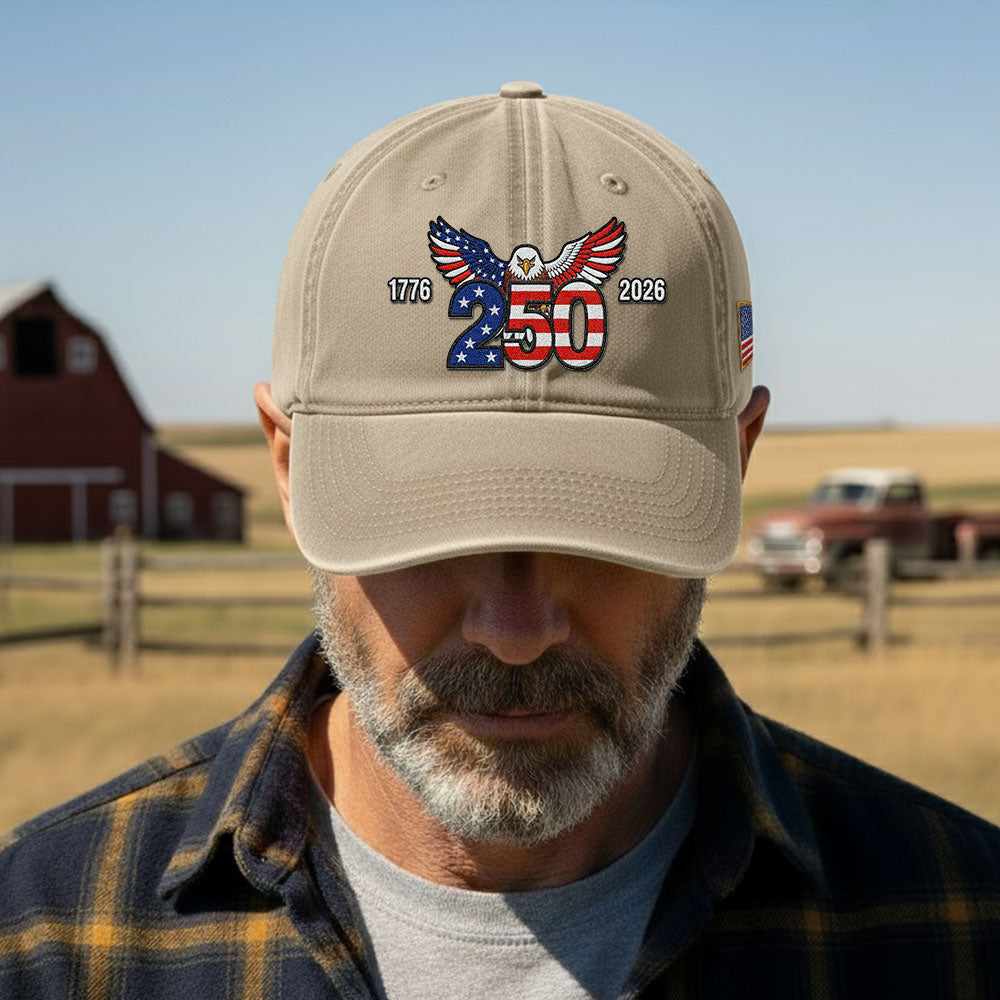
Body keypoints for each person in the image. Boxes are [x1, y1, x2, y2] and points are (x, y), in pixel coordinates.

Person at [1, 82, 998, 999]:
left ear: (736, 460)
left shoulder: (959, 925)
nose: (515, 632)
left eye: (604, 530)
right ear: (288, 461)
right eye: (430, 527)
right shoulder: (48, 941)